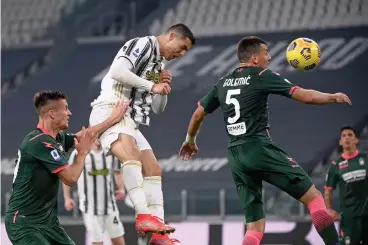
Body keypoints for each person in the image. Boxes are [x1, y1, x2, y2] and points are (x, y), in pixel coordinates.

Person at [179, 36, 352, 245]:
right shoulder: (261, 75)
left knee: (254, 226)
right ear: (254, 58)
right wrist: (332, 97)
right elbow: (305, 96)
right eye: (266, 53)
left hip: (236, 155)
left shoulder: (223, 83)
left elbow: (198, 113)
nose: (269, 57)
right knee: (315, 198)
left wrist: (190, 139)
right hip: (258, 147)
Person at [89, 23, 195, 244]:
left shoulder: (158, 65)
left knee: (153, 168)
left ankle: (158, 234)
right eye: (182, 47)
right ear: (171, 36)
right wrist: (151, 84)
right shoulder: (143, 44)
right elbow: (117, 71)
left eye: (186, 51)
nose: (182, 54)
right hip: (110, 108)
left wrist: (163, 88)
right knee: (131, 155)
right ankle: (144, 217)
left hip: (129, 120)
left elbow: (157, 108)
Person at [5, 90, 129, 245]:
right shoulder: (38, 142)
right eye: (66, 108)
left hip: (48, 223)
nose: (69, 113)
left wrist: (113, 119)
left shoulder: (57, 138)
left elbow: (86, 135)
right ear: (52, 114)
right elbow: (70, 178)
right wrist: (82, 153)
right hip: (24, 223)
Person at [63, 139, 126, 245]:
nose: (100, 137)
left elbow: (117, 171)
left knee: (119, 241)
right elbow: (67, 176)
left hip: (110, 206)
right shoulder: (79, 153)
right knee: (97, 242)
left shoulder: (111, 151)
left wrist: (121, 188)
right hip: (90, 208)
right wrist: (67, 197)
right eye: (98, 134)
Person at [324, 126, 368, 245]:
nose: (347, 138)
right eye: (344, 136)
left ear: (356, 140)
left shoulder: (365, 158)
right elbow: (328, 190)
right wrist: (329, 209)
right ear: (340, 142)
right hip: (348, 217)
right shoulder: (335, 165)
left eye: (350, 135)